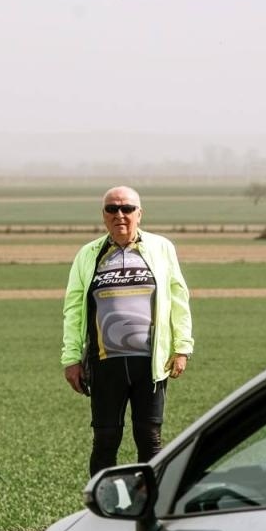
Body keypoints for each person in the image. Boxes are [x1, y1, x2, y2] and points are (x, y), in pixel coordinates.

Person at [61, 185, 193, 477]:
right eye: (112, 209)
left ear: (139, 213)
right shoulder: (88, 254)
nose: (119, 215)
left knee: (149, 438)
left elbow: (179, 298)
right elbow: (73, 308)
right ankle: (103, 508)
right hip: (105, 361)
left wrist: (182, 347)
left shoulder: (161, 248)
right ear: (104, 215)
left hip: (150, 362)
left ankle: (151, 507)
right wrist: (70, 358)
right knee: (106, 439)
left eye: (127, 208)